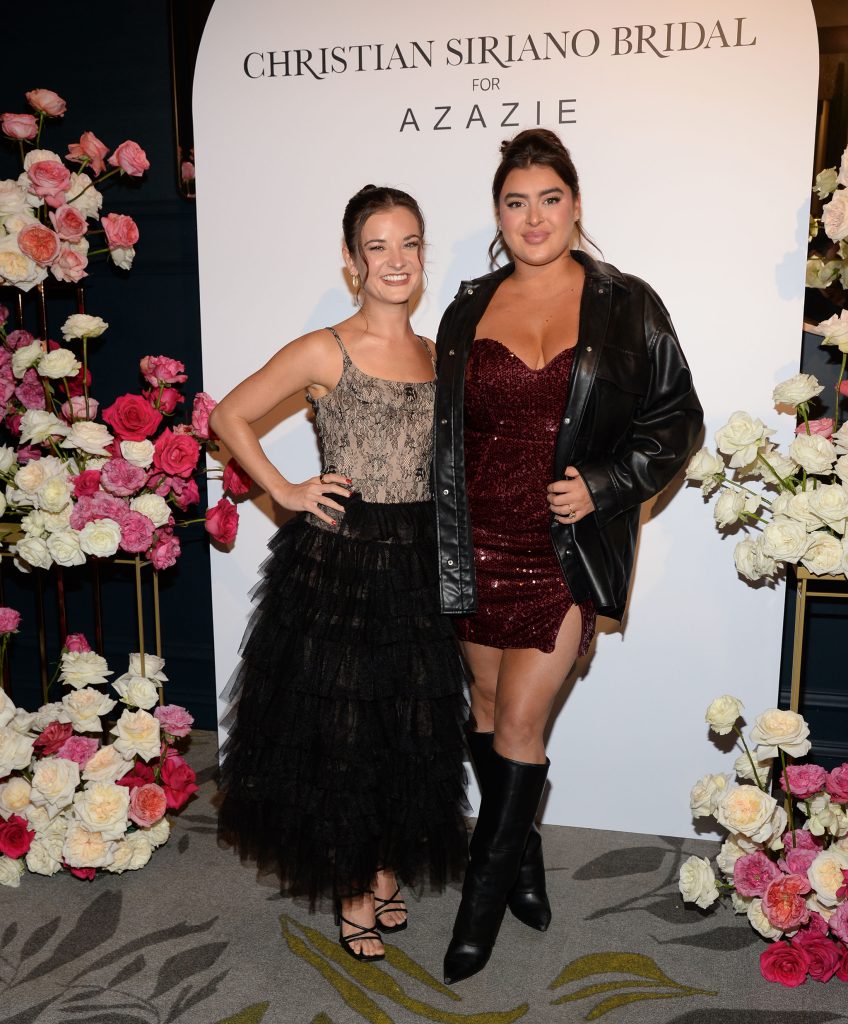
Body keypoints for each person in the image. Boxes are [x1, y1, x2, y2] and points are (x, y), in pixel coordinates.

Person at [433, 129, 703, 984]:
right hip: (473, 539)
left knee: (520, 721)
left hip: (561, 549)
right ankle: (524, 856)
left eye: (550, 199)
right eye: (516, 202)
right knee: (483, 701)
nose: (534, 217)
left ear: (576, 205)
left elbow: (677, 420)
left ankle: (479, 905)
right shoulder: (469, 305)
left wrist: (606, 481)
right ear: (498, 215)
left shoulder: (629, 304)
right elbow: (439, 429)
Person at [215, 185, 468, 963]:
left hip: (420, 559)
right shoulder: (328, 347)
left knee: (409, 725)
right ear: (354, 260)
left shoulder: (435, 354)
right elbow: (229, 415)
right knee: (346, 734)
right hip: (345, 560)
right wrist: (285, 491)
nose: (397, 261)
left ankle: (386, 864)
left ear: (423, 255)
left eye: (410, 244)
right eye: (379, 247)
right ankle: (355, 887)